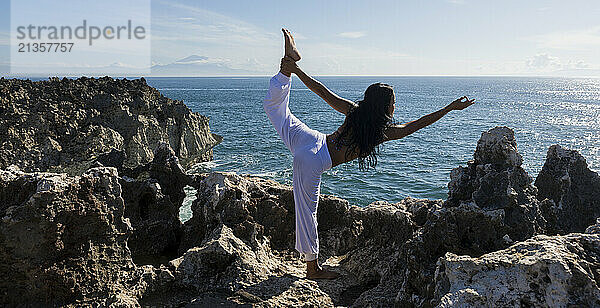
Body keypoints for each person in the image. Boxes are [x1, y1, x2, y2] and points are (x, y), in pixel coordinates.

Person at [263, 28, 475, 280]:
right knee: (307, 210)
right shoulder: (382, 132)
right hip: (314, 159)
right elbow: (417, 124)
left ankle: (286, 68)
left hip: (312, 140)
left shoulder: (354, 112)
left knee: (276, 110)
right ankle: (312, 269)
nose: (395, 106)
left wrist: (296, 72)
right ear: (384, 106)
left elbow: (322, 92)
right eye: (393, 103)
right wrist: (450, 108)